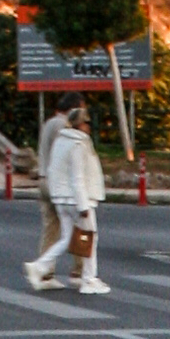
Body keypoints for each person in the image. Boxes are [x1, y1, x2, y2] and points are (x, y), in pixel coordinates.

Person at [26, 95, 108, 295]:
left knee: (63, 236)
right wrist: (83, 205)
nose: (89, 127)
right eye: (86, 122)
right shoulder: (75, 140)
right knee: (87, 236)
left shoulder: (57, 134)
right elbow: (77, 176)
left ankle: (40, 267)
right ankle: (85, 277)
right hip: (73, 196)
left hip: (56, 191)